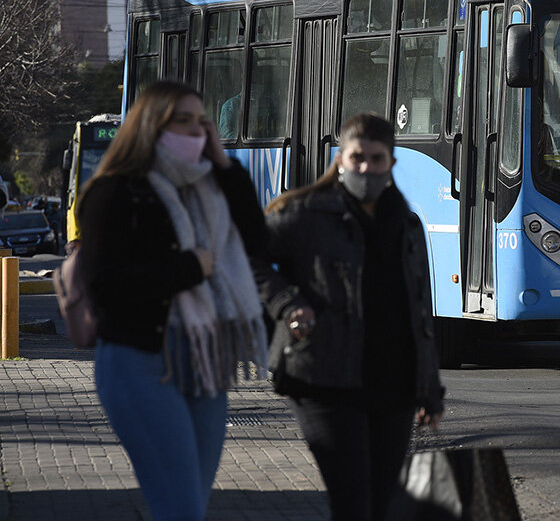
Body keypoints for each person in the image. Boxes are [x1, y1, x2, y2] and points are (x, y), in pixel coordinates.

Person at [78, 81, 269, 521]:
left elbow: (258, 241)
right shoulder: (114, 193)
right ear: (150, 126)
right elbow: (105, 287)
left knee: (192, 507)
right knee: (179, 508)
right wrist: (188, 268)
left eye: (201, 122)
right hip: (140, 361)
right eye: (180, 121)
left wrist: (223, 163)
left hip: (203, 363)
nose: (195, 132)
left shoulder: (210, 186)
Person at [257, 112, 445, 521]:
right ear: (340, 159)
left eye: (376, 159)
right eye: (357, 157)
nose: (366, 168)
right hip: (323, 379)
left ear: (391, 163)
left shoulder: (407, 224)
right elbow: (247, 256)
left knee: (382, 504)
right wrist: (287, 303)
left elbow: (418, 311)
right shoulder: (305, 214)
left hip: (391, 384)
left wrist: (429, 387)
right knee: (354, 502)